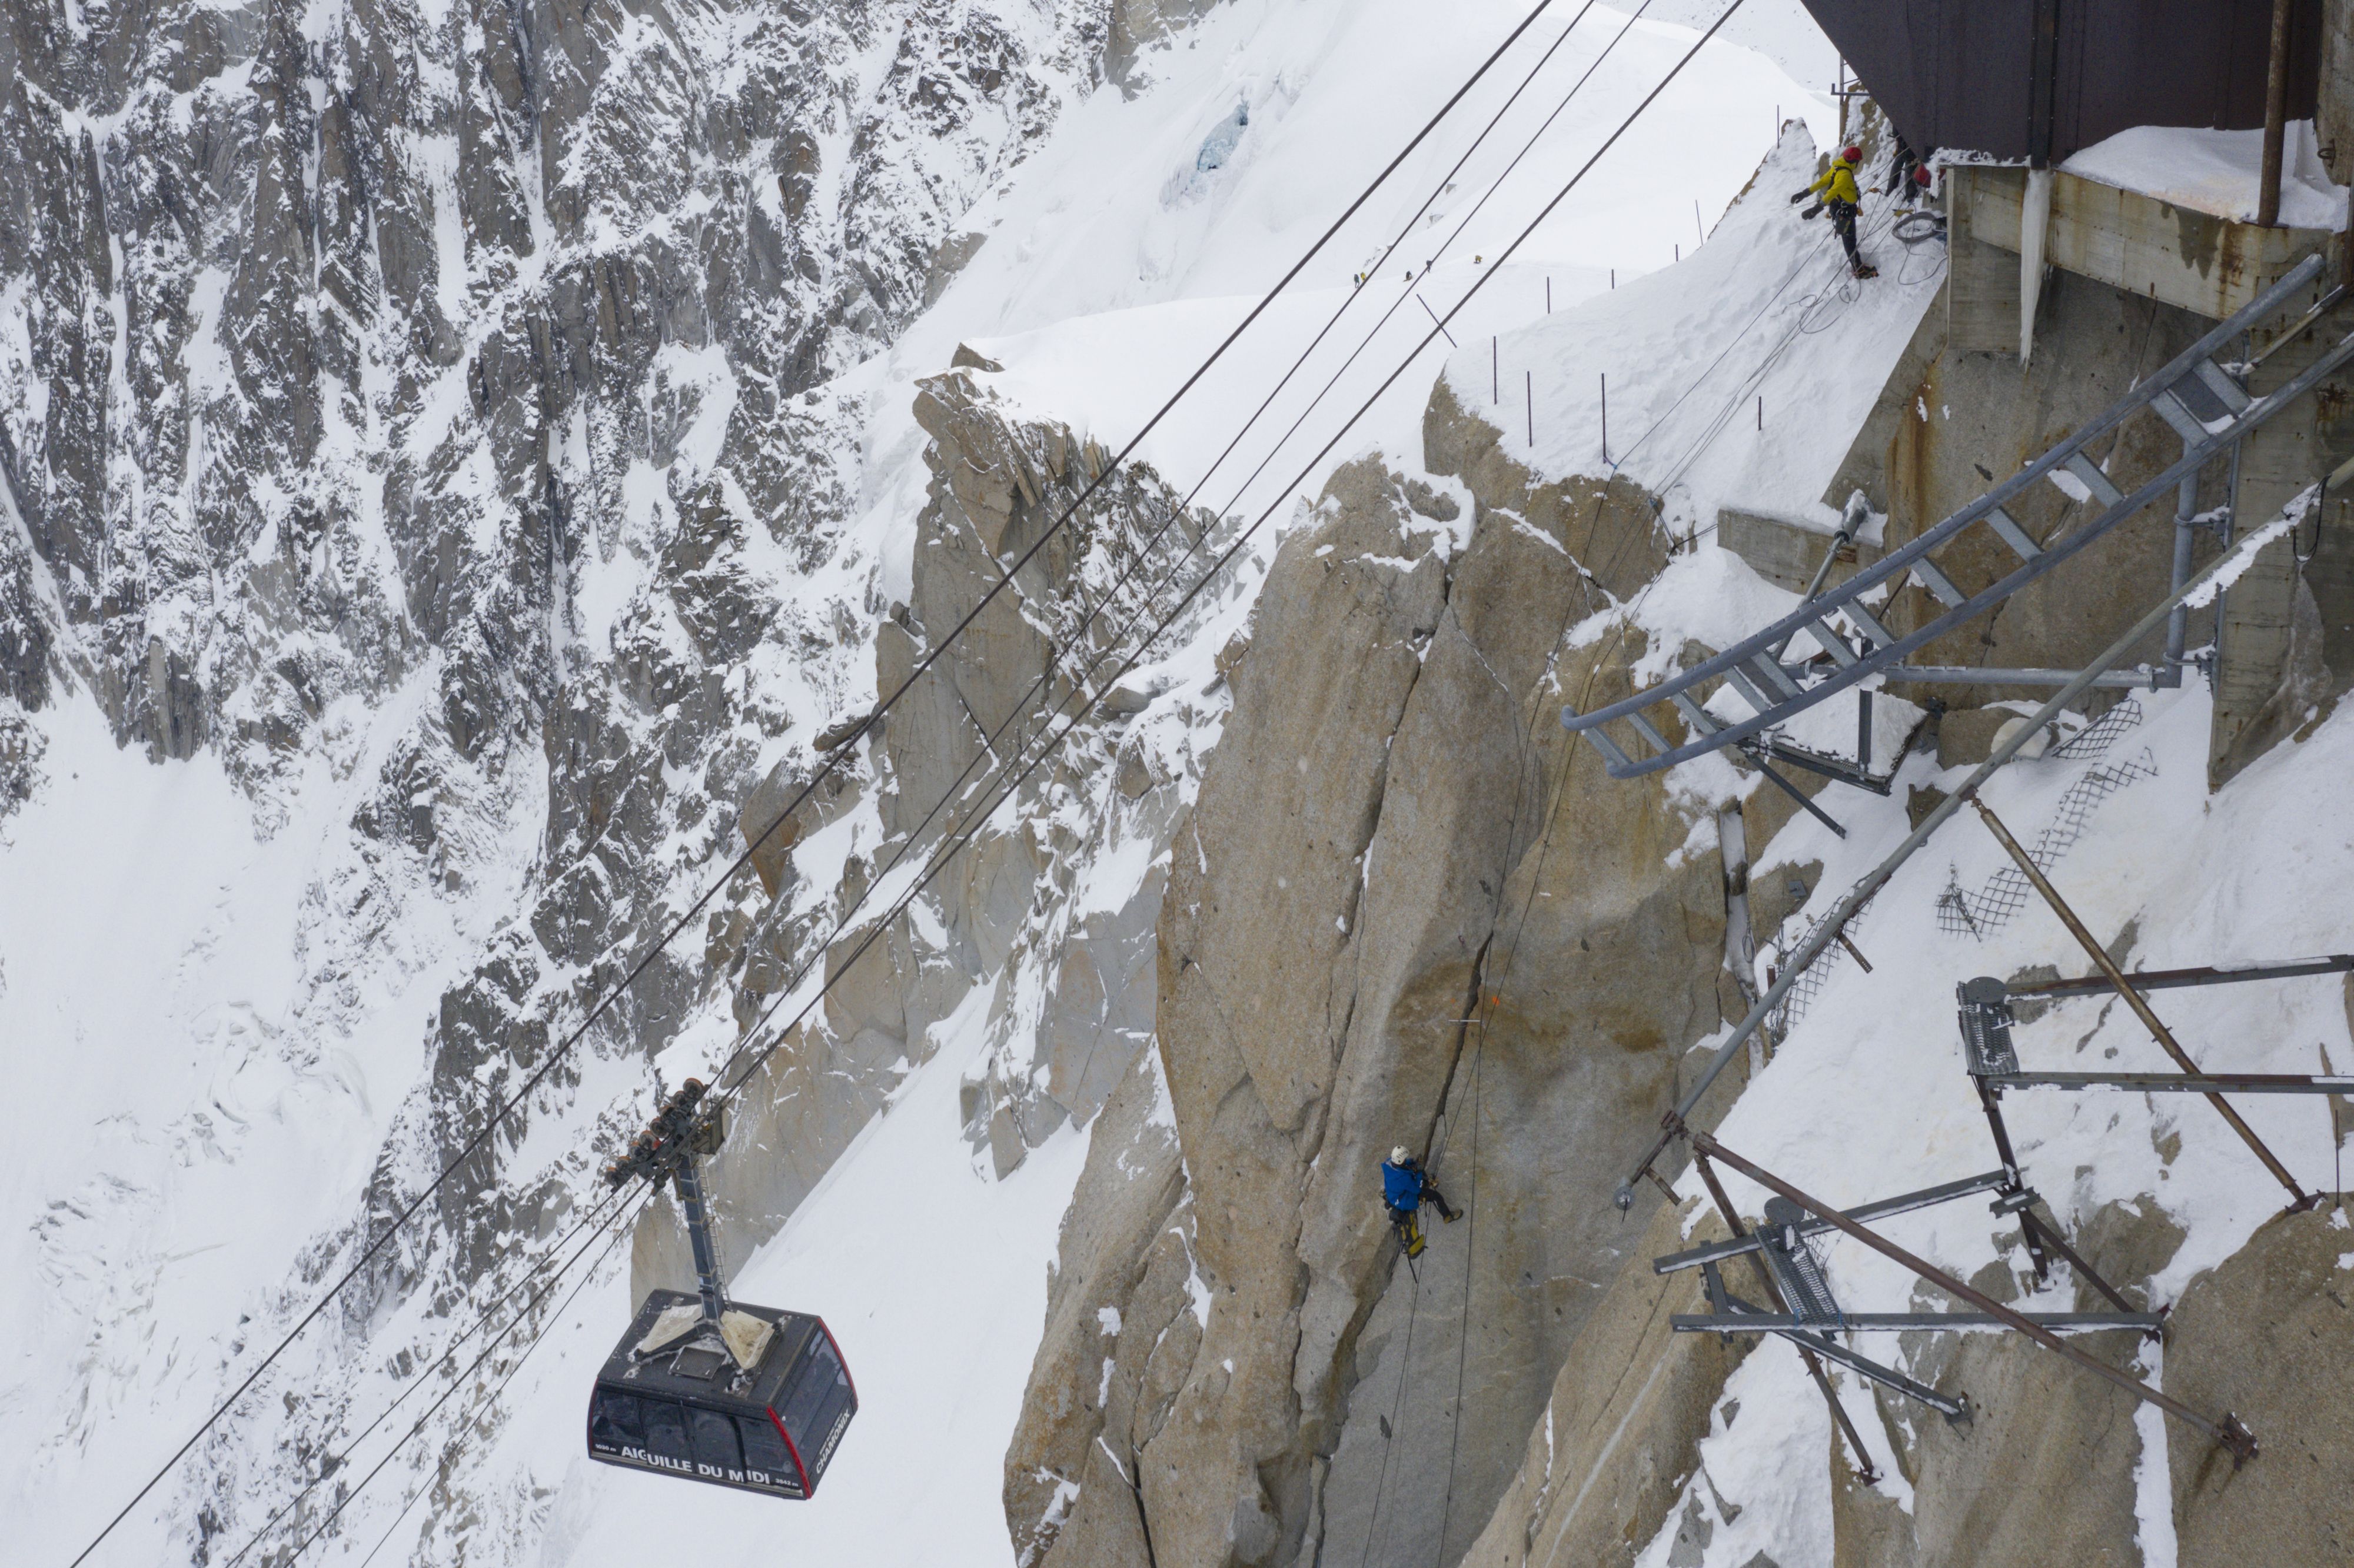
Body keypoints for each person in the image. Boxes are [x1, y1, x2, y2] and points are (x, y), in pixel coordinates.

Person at [1792, 144, 1876, 280]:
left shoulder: (1837, 168)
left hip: (1840, 208)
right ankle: (1858, 269)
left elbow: (1823, 182)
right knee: (1850, 240)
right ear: (1854, 162)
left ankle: (1858, 266)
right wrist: (1817, 208)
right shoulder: (1845, 175)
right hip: (1845, 211)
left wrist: (1804, 193)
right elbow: (1833, 191)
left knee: (1849, 239)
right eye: (1858, 162)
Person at [1381, 1146, 1460, 1259]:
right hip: (1405, 1200)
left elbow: (1404, 1165)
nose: (1406, 1160)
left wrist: (1412, 1162)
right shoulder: (1403, 1179)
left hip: (1395, 1196)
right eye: (1404, 1159)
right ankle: (1448, 1217)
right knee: (1435, 1196)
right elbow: (1416, 1189)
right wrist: (1418, 1173)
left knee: (1418, 1175)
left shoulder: (1389, 1163)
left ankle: (1427, 1182)